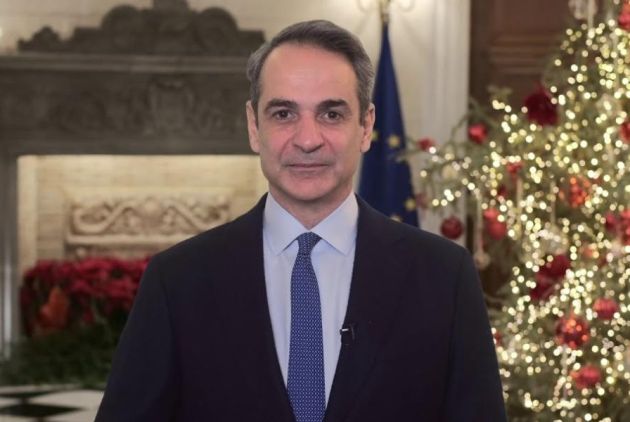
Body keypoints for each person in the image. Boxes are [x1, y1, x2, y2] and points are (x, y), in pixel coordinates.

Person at [96, 20, 506, 422]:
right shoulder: (177, 281)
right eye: (283, 113)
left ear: (366, 127)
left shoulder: (444, 277)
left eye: (331, 114)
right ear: (254, 127)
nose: (308, 140)